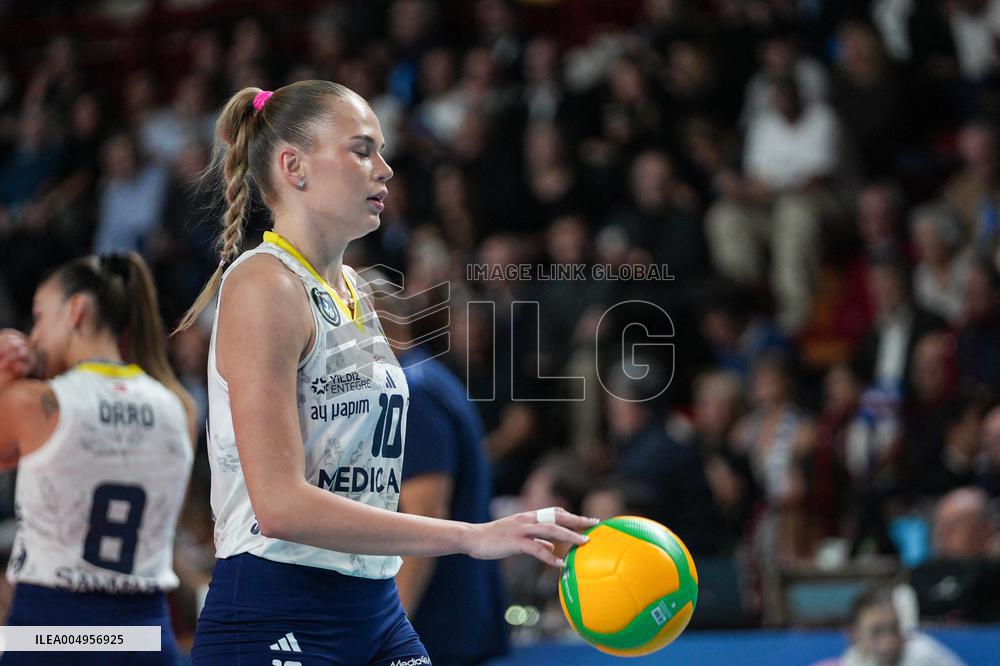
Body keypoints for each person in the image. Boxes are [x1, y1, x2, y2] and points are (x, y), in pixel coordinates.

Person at [178, 81, 594, 665]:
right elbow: (280, 506)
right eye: (361, 149)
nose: (386, 169)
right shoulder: (262, 284)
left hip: (373, 607)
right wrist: (472, 537)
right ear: (293, 165)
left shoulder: (356, 292)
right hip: (278, 605)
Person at [0, 252, 196, 665]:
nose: (34, 335)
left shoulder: (35, 402)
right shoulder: (180, 407)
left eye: (39, 317)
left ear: (76, 311)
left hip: (51, 633)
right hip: (144, 636)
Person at [375, 279, 509, 665]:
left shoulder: (409, 391)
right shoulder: (425, 376)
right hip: (452, 613)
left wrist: (387, 631)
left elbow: (426, 515)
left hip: (437, 623)